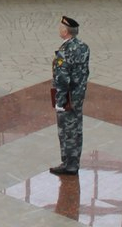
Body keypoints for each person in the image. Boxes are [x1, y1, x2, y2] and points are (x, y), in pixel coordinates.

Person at [49, 16, 90, 176]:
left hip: (67, 96)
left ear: (66, 32)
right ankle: (73, 162)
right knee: (76, 128)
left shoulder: (64, 51)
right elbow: (84, 72)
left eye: (61, 27)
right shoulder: (83, 47)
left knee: (66, 131)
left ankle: (69, 165)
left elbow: (62, 79)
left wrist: (60, 102)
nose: (59, 29)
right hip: (78, 94)